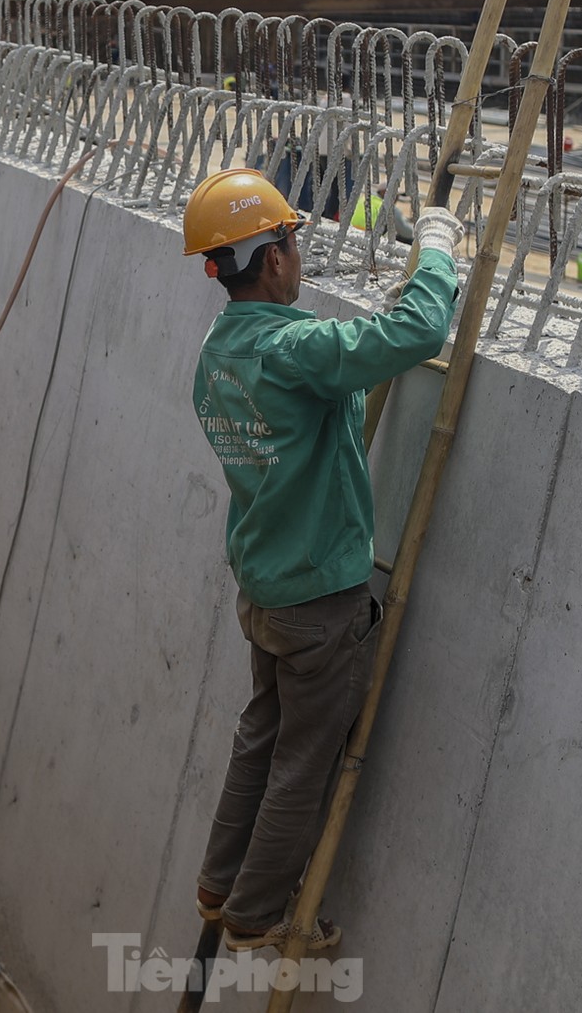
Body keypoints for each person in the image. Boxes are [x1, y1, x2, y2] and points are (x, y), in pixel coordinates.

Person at [183, 168, 461, 953]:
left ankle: (217, 881)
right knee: (304, 759)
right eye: (293, 240)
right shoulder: (293, 349)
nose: (300, 253)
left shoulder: (218, 351)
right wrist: (435, 253)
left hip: (264, 590)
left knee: (262, 731)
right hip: (317, 602)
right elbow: (412, 336)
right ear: (270, 259)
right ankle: (255, 914)